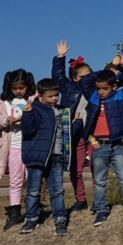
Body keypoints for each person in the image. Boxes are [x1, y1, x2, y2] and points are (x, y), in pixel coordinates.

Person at [78, 63, 123, 225]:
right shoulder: (93, 96)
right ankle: (101, 210)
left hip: (117, 145)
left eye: (105, 88)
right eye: (98, 88)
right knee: (100, 181)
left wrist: (117, 73)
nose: (101, 92)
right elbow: (84, 82)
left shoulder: (121, 96)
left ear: (114, 86)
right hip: (99, 146)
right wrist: (102, 72)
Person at [19, 79, 71, 235]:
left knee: (57, 190)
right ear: (40, 95)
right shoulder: (35, 109)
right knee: (33, 190)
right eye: (50, 96)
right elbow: (27, 132)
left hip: (56, 156)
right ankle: (31, 218)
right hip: (37, 157)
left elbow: (65, 133)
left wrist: (76, 124)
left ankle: (60, 218)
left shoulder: (62, 110)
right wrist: (27, 114)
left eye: (56, 95)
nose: (54, 99)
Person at [0, 69, 35, 230]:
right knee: (16, 180)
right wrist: (5, 120)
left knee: (33, 178)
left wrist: (28, 116)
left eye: (21, 87)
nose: (18, 91)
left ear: (28, 86)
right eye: (15, 88)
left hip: (31, 145)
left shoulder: (34, 99)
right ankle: (14, 210)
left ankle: (33, 208)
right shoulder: (2, 102)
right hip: (13, 147)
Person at [52, 47, 93, 212]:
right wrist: (60, 57)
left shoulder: (96, 90)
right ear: (75, 78)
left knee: (97, 168)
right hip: (75, 134)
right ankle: (80, 199)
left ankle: (101, 201)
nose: (87, 79)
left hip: (93, 133)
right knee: (75, 170)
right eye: (83, 76)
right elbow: (58, 77)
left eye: (90, 75)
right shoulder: (69, 89)